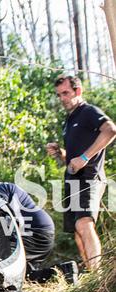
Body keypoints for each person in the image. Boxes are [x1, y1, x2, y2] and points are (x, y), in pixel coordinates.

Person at [46, 75, 116, 271]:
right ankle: (93, 278)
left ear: (78, 91)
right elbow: (73, 158)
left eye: (66, 93)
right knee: (78, 232)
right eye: (59, 95)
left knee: (84, 224)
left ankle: (99, 279)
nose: (62, 98)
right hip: (73, 181)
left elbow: (110, 130)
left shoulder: (88, 112)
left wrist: (85, 158)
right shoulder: (70, 120)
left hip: (90, 177)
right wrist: (61, 153)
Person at [0, 172, 55, 267]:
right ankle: (66, 270)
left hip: (36, 233)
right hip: (44, 232)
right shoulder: (7, 186)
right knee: (27, 274)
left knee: (4, 264)